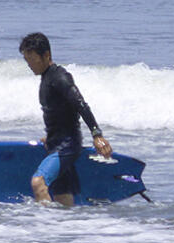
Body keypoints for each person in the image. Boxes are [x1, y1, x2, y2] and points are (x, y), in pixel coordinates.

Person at [20, 31, 112, 207]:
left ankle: (44, 229)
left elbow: (81, 105)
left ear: (46, 55)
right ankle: (64, 230)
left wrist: (97, 134)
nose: (29, 64)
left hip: (67, 146)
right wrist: (51, 135)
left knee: (38, 183)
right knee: (63, 200)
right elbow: (58, 113)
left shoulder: (60, 77)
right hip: (56, 144)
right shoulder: (46, 78)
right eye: (26, 60)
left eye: (32, 59)